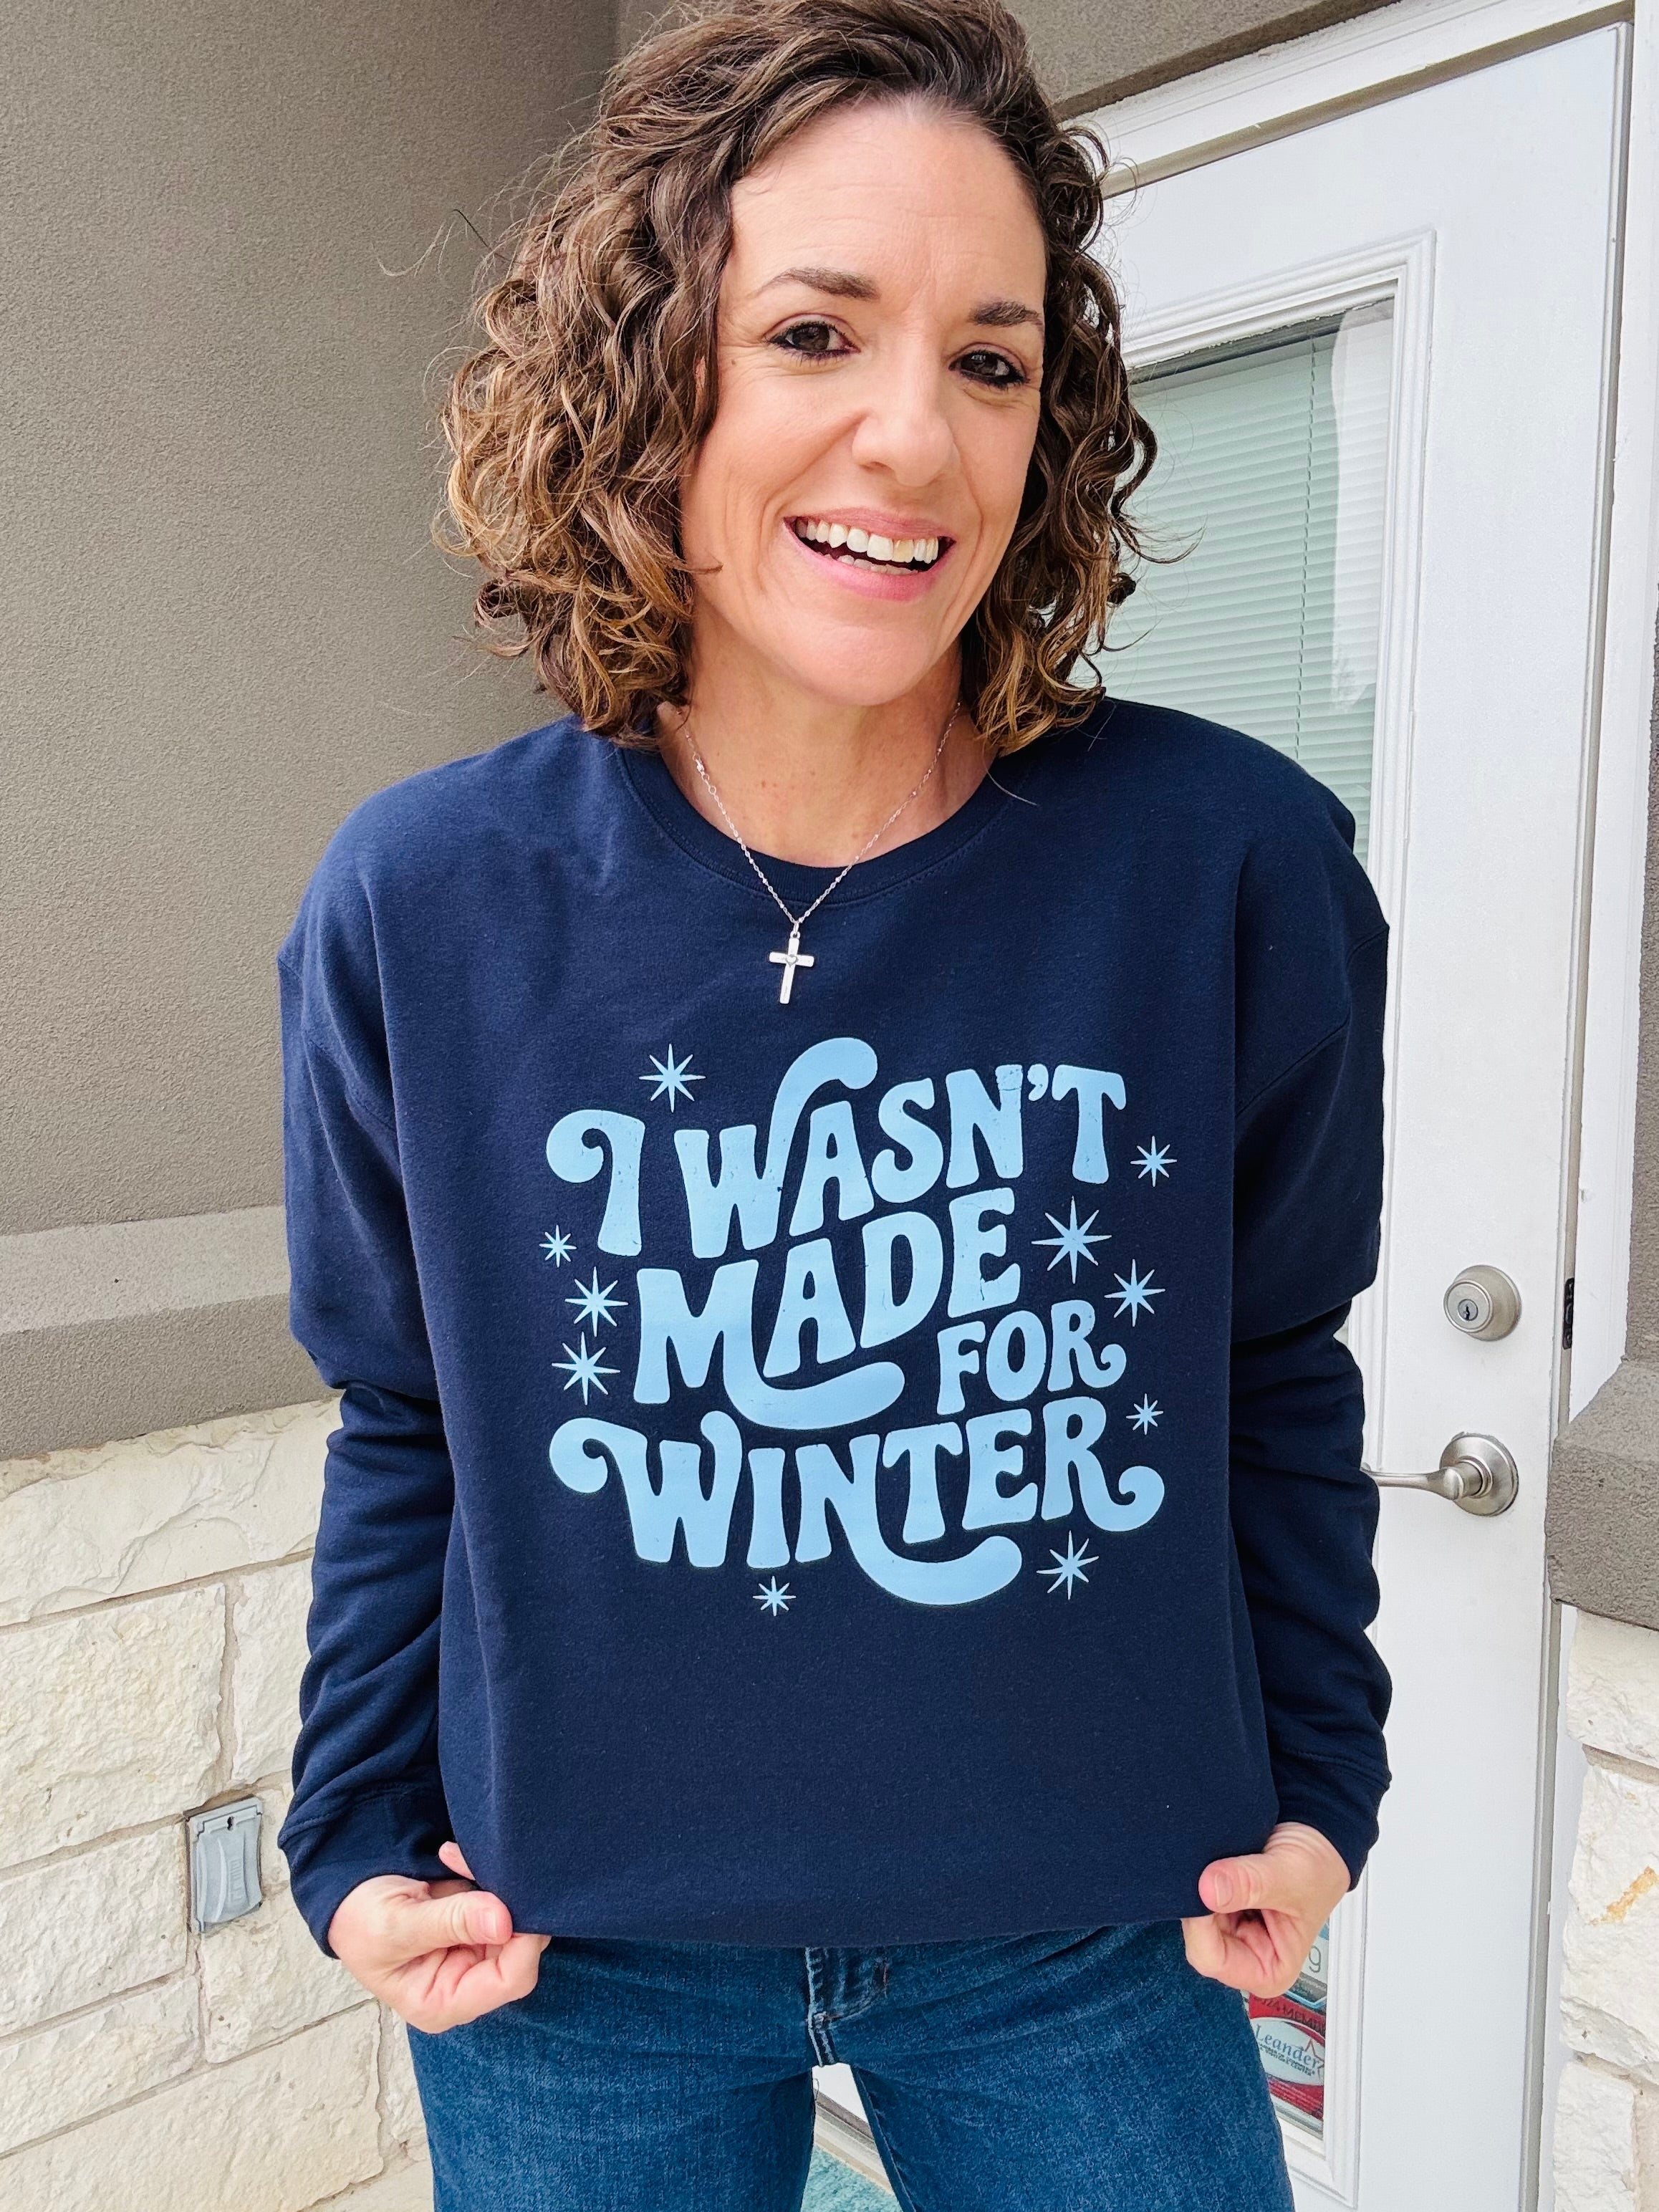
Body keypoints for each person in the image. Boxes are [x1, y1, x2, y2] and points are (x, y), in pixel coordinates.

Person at [275, 1, 1392, 2204]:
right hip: (566, 1955)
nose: (912, 434)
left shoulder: (1227, 866)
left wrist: (1320, 1784)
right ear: (645, 380)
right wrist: (349, 1833)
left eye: (990, 360)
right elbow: (408, 1415)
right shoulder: (423, 898)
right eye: (812, 332)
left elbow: (1273, 1361)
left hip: (1092, 1935)